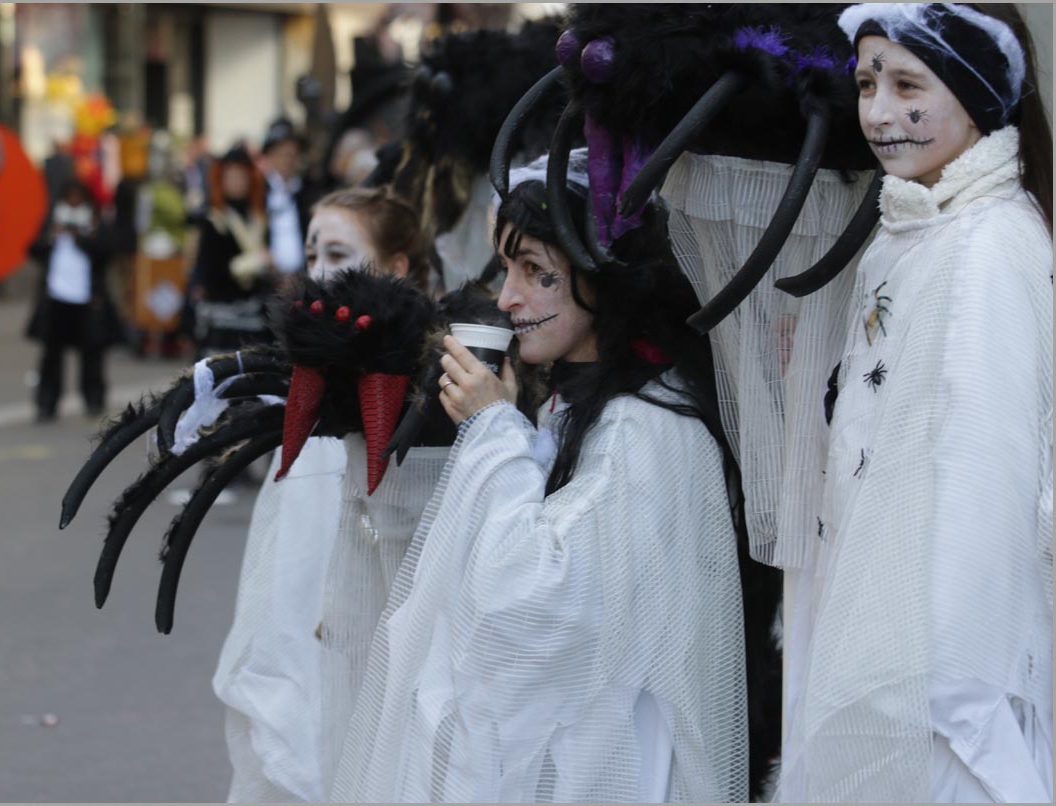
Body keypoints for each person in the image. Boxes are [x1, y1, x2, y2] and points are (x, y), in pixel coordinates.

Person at [329, 161, 774, 802]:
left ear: (604, 279)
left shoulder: (643, 426)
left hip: (613, 759)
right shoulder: (580, 402)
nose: (507, 299)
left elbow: (534, 605)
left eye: (539, 274)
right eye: (507, 269)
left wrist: (491, 430)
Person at [776, 4, 1053, 801]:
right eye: (867, 84)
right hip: (887, 649)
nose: (878, 114)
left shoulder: (989, 247)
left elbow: (987, 491)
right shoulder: (914, 226)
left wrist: (945, 693)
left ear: (978, 96)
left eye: (907, 85)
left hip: (945, 688)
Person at [212, 187, 439, 802]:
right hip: (302, 637)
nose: (318, 272)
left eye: (338, 254)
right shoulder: (309, 385)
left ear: (395, 267)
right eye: (312, 254)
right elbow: (286, 552)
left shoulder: (428, 392)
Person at [26, 180, 120, 421]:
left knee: (92, 354)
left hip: (87, 299)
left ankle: (93, 398)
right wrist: (52, 236)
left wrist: (81, 237)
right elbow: (33, 249)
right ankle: (47, 402)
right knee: (51, 355)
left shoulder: (95, 222)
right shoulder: (53, 221)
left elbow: (107, 252)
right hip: (56, 298)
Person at [191, 145, 274, 355]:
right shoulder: (214, 219)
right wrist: (257, 261)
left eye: (242, 176)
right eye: (231, 177)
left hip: (254, 310)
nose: (237, 182)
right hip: (222, 310)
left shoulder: (259, 218)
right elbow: (210, 267)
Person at [259, 118, 314, 278]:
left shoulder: (308, 191)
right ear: (270, 156)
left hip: (303, 277)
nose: (288, 160)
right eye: (283, 154)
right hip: (267, 279)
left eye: (293, 155)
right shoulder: (260, 191)